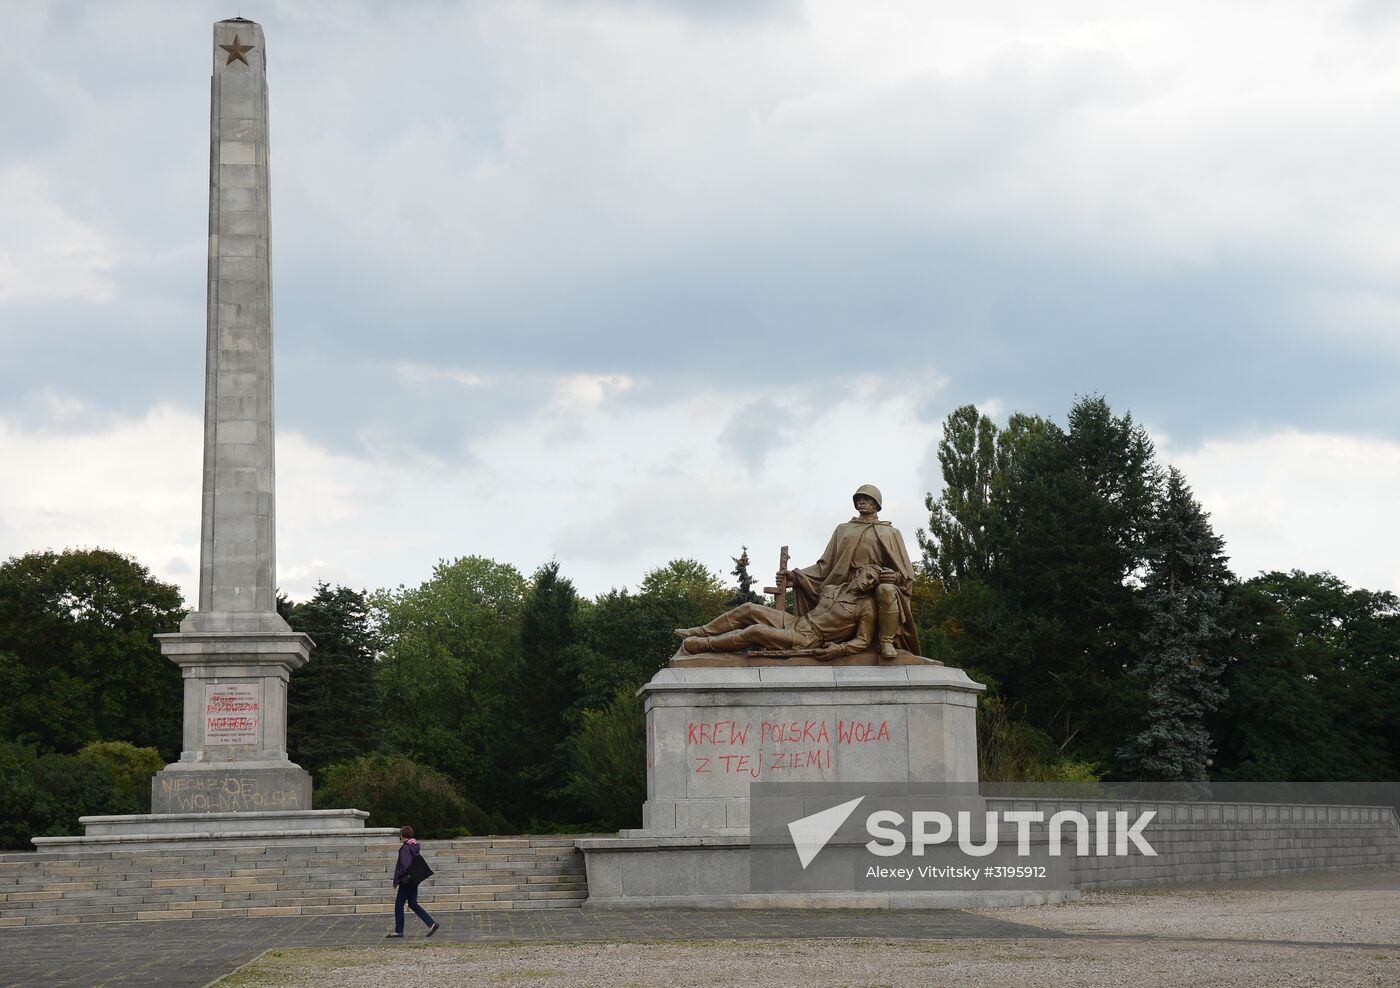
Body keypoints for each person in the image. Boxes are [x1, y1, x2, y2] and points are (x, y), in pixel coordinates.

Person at [784, 484, 920, 659]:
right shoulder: (843, 529)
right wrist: (796, 576)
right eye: (859, 499)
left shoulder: (890, 532)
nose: (861, 502)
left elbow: (905, 572)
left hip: (875, 582)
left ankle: (886, 641)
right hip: (846, 585)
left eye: (867, 499)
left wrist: (894, 576)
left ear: (876, 504)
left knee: (886, 590)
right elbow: (825, 564)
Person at [675, 566, 880, 657]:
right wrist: (790, 577)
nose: (868, 583)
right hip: (797, 621)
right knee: (748, 608)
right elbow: (808, 586)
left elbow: (863, 640)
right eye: (868, 576)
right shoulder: (831, 589)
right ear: (859, 573)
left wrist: (840, 649)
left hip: (808, 638)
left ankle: (703, 645)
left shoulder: (866, 607)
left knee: (756, 631)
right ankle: (700, 631)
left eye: (873, 582)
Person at [386, 825, 439, 939]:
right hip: (414, 878)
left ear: (401, 836)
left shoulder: (405, 847)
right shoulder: (414, 845)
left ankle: (399, 931)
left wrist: (398, 878)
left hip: (407, 880)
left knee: (399, 904)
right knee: (413, 903)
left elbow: (404, 865)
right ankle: (431, 923)